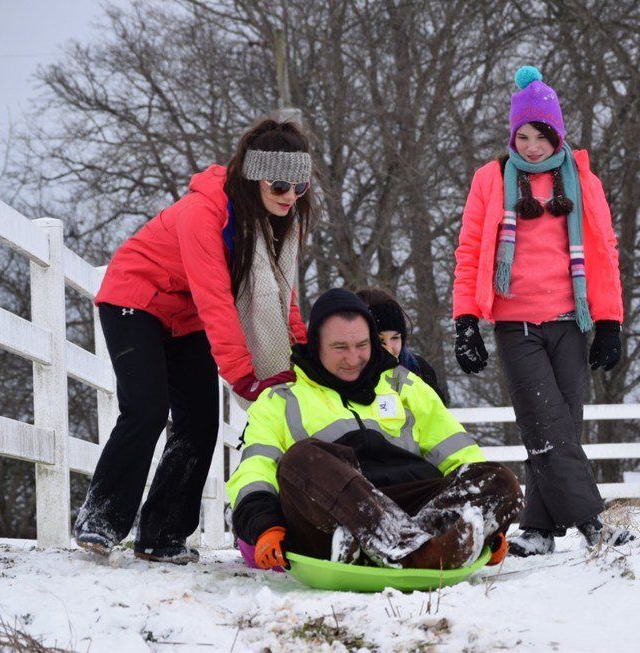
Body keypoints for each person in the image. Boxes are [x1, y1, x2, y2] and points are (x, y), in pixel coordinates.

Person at [73, 116, 313, 564]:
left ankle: (161, 534)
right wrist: (244, 376)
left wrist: (302, 355)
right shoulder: (204, 214)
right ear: (253, 176)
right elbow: (216, 300)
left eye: (299, 188)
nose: (289, 197)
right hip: (136, 300)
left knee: (200, 420)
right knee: (146, 409)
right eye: (279, 185)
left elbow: (285, 297)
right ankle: (101, 520)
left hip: (186, 317)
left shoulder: (278, 225)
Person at [452, 66, 632, 556]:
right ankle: (592, 520)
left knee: (560, 423)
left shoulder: (581, 181)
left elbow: (604, 251)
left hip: (570, 321)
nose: (531, 146)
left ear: (558, 135)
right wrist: (465, 319)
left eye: (542, 136)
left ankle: (539, 528)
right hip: (516, 323)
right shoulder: (491, 179)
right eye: (523, 135)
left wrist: (610, 321)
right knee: (545, 418)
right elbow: (470, 249)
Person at [226, 289, 523, 571]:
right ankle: (422, 552)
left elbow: (459, 455)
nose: (353, 359)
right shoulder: (282, 398)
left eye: (362, 346)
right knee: (301, 458)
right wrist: (264, 523)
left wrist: (486, 526)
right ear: (316, 345)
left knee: (499, 480)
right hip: (333, 513)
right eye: (340, 347)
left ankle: (411, 541)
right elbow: (255, 468)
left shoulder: (403, 384)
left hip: (412, 504)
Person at [356, 286, 450, 405]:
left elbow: (438, 417)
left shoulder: (419, 370)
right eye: (380, 340)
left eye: (395, 338)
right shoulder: (344, 377)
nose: (389, 349)